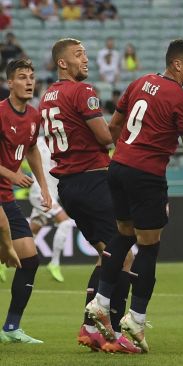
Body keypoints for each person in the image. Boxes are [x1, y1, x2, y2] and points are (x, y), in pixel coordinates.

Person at [85, 39, 183, 353]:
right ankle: (136, 320)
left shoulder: (139, 82)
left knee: (123, 233)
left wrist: (119, 156)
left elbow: (114, 125)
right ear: (177, 64)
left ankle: (101, 302)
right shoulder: (181, 98)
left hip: (119, 167)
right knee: (149, 247)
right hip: (146, 174)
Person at [39, 38, 138, 353]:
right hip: (93, 179)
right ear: (63, 63)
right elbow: (105, 137)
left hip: (68, 187)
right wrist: (125, 117)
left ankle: (88, 328)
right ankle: (113, 333)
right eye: (78, 55)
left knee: (106, 254)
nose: (86, 59)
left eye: (85, 54)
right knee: (125, 254)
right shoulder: (83, 92)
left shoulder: (47, 96)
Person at [0, 58, 52, 344]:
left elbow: (32, 150)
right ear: (10, 83)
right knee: (9, 251)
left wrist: (44, 187)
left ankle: (10, 328)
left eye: (31, 76)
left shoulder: (33, 116)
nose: (29, 81)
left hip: (6, 196)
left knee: (29, 260)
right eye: (22, 77)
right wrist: (12, 173)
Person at [28, 136, 75, 283]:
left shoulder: (65, 146)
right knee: (65, 222)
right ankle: (54, 263)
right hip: (40, 193)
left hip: (51, 194)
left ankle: (2, 261)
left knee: (30, 234)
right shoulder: (38, 142)